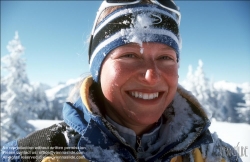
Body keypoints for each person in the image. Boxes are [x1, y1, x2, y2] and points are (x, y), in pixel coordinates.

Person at [1, 0, 242, 162]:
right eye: (129, 55)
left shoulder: (217, 155)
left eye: (165, 57)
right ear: (98, 67)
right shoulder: (35, 153)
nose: (152, 75)